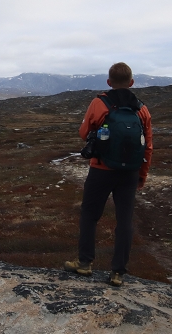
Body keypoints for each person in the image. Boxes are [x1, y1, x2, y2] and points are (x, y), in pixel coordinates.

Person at [64, 62, 153, 286]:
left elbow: (84, 133)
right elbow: (148, 146)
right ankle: (118, 273)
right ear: (132, 83)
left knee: (90, 215)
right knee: (124, 220)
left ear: (108, 82)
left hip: (101, 169)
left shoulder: (99, 103)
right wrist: (142, 174)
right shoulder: (142, 109)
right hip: (129, 173)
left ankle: (84, 264)